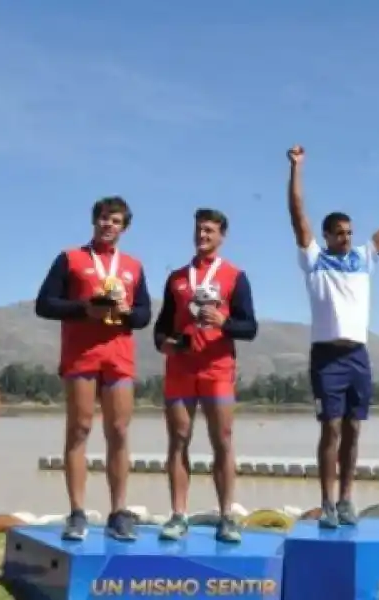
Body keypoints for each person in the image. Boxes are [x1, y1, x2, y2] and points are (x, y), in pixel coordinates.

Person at [287, 145, 379, 528]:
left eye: (349, 233)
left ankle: (347, 499)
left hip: (357, 357)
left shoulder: (364, 257)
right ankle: (327, 501)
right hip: (326, 357)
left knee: (353, 429)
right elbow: (298, 213)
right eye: (339, 234)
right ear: (327, 236)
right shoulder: (314, 260)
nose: (346, 238)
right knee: (330, 428)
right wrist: (297, 169)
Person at [34, 196, 151, 542]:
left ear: (124, 227)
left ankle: (118, 513)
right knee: (80, 429)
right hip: (81, 356)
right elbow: (45, 304)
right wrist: (85, 309)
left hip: (119, 357)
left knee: (118, 431)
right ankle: (77, 513)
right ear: (94, 221)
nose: (107, 225)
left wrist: (126, 311)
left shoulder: (133, 266)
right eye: (103, 218)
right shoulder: (70, 258)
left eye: (115, 220)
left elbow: (144, 316)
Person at [153, 208, 258, 543]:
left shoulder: (235, 276)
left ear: (222, 236)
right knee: (178, 440)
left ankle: (227, 516)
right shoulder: (177, 278)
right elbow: (161, 327)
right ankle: (178, 515)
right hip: (181, 369)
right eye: (199, 230)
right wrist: (165, 345)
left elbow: (250, 327)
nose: (203, 236)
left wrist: (224, 323)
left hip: (217, 368)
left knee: (222, 441)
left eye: (209, 231)